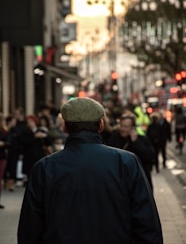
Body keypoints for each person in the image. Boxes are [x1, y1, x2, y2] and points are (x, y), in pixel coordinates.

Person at [18, 97, 163, 244]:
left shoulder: (45, 167)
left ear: (65, 127)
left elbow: (30, 228)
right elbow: (146, 221)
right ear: (100, 125)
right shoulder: (126, 162)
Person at [107, 112, 155, 191]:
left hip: (138, 182)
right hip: (120, 183)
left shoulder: (142, 140)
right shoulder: (114, 139)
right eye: (121, 126)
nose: (122, 129)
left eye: (125, 127)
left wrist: (135, 143)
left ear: (132, 128)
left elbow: (150, 157)